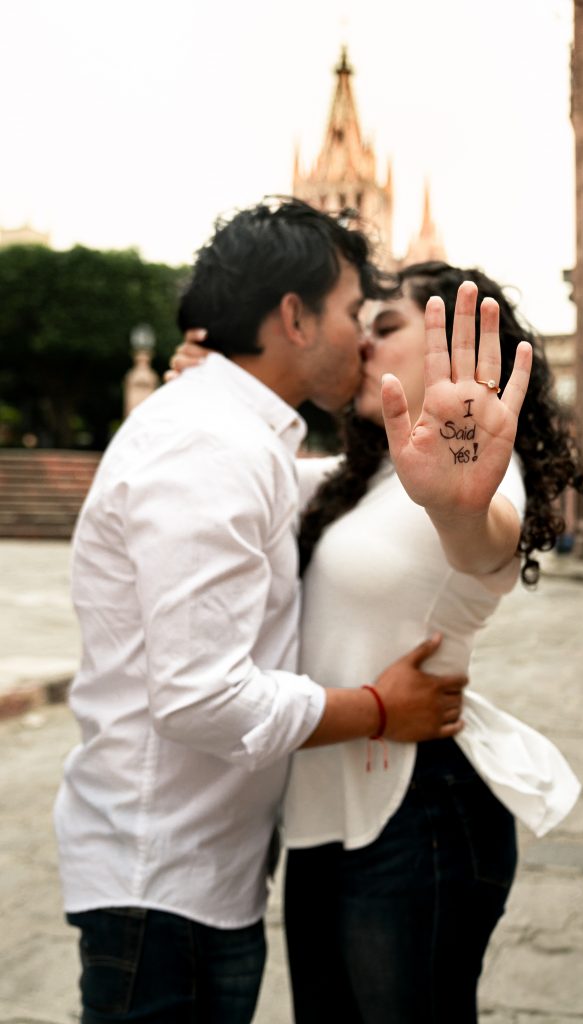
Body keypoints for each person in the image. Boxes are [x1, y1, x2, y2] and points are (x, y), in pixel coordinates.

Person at [53, 201, 468, 1024]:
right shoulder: (208, 444)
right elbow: (198, 696)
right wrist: (379, 710)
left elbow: (329, 487)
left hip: (196, 879)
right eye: (353, 311)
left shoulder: (237, 437)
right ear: (293, 317)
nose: (361, 336)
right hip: (164, 891)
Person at [174, 260, 583, 1023]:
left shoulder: (467, 478)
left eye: (386, 328)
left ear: (461, 353)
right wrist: (219, 384)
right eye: (360, 328)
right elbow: (247, 470)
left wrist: (464, 505)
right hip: (320, 809)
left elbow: (484, 540)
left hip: (418, 809)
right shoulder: (364, 477)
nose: (362, 346)